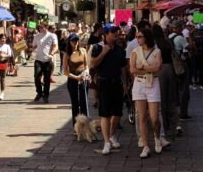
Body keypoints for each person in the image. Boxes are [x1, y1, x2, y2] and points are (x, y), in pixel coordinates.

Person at [88, 25, 126, 155]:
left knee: (118, 113)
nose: (116, 34)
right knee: (105, 114)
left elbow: (123, 68)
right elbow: (92, 63)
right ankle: (106, 142)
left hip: (117, 83)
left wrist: (125, 84)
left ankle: (112, 135)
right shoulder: (98, 47)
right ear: (105, 34)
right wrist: (104, 52)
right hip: (104, 84)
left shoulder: (120, 50)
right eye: (113, 32)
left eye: (116, 32)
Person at [130, 27, 165, 159]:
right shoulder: (135, 51)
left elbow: (157, 67)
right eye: (137, 37)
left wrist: (143, 68)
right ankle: (145, 145)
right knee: (142, 117)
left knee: (155, 118)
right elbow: (132, 69)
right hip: (139, 84)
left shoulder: (157, 51)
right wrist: (148, 70)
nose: (137, 39)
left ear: (147, 38)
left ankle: (157, 137)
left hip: (153, 84)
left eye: (140, 37)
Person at [152, 24, 179, 142]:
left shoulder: (154, 44)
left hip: (160, 70)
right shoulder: (168, 41)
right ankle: (175, 124)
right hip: (171, 69)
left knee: (161, 98)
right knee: (171, 98)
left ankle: (165, 125)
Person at [169, 20, 191, 122]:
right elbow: (190, 48)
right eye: (180, 27)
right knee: (184, 90)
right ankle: (183, 113)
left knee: (174, 91)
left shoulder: (168, 38)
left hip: (171, 67)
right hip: (181, 66)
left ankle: (173, 113)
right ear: (177, 28)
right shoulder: (180, 38)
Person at [64, 34, 89, 122]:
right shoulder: (67, 55)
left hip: (83, 79)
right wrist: (76, 77)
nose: (75, 42)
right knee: (75, 104)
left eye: (77, 40)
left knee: (84, 103)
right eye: (73, 41)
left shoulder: (83, 51)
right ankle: (76, 126)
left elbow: (86, 65)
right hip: (72, 80)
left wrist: (86, 73)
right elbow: (65, 72)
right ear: (69, 42)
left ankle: (85, 123)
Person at [32, 23, 58, 103]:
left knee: (47, 79)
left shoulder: (52, 35)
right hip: (38, 59)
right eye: (39, 27)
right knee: (37, 77)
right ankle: (39, 92)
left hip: (47, 60)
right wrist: (30, 49)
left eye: (41, 27)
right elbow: (34, 46)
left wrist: (52, 54)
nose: (40, 29)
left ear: (46, 27)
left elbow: (55, 46)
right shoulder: (37, 36)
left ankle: (46, 96)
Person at [0, 34, 12, 100]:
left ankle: (2, 92)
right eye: (2, 38)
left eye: (4, 38)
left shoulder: (7, 46)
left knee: (2, 78)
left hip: (4, 62)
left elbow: (9, 55)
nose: (3, 40)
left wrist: (3, 56)